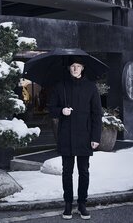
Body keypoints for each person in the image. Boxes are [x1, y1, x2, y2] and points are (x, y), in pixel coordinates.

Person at [48, 57, 102, 220]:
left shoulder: (91, 87)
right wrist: (61, 111)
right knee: (67, 172)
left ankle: (82, 204)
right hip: (66, 135)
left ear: (83, 68)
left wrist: (96, 137)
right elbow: (51, 109)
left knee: (84, 171)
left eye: (78, 66)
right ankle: (67, 204)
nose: (75, 68)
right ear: (69, 68)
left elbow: (97, 114)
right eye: (72, 66)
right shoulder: (61, 86)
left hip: (85, 136)